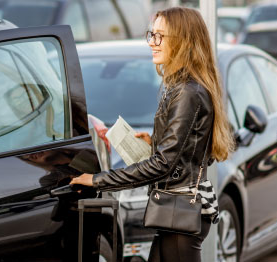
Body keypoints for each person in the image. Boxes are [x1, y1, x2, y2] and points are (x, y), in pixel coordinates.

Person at [69, 7, 234, 262]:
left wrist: (98, 180)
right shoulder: (181, 86)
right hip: (174, 210)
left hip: (180, 212)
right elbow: (193, 152)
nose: (152, 43)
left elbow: (164, 165)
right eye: (151, 34)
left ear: (182, 41)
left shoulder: (187, 93)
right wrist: (156, 142)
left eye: (160, 36)